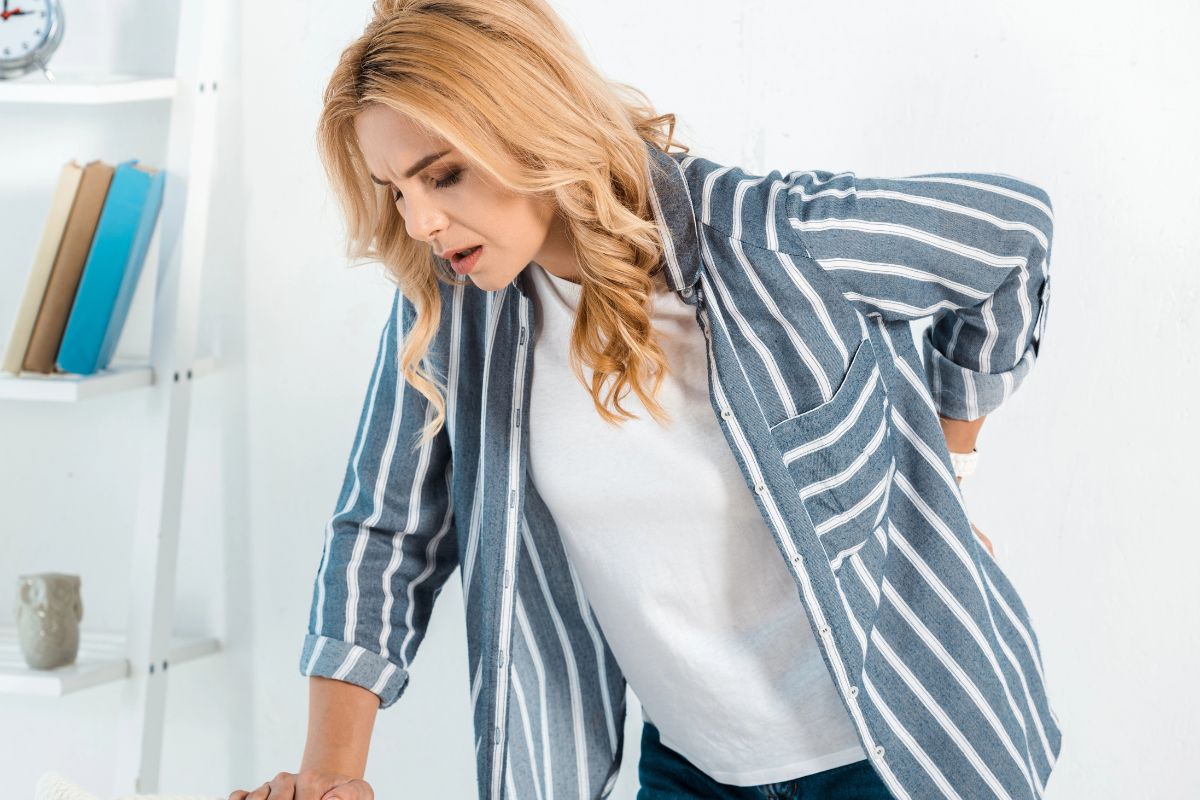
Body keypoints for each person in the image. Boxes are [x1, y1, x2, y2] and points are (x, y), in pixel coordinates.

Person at [228, 0, 1061, 798]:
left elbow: (1013, 239)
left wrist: (951, 461)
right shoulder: (454, 308)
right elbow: (385, 531)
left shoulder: (770, 238)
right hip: (691, 769)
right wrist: (331, 773)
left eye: (442, 175)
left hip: (898, 756)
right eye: (396, 190)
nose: (420, 223)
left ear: (530, 122)